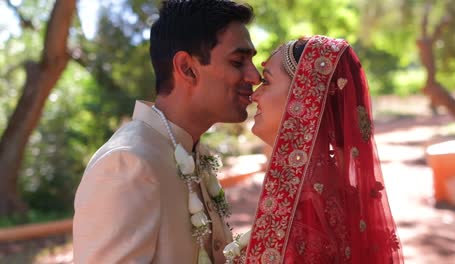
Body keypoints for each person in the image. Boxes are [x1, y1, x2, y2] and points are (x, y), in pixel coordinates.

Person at [73, 1, 261, 263]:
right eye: (238, 61)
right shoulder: (128, 163)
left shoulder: (192, 150)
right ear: (186, 67)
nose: (254, 76)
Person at [223, 36, 404, 263]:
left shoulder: (307, 206)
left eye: (266, 82)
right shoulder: (329, 188)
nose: (254, 95)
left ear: (304, 96)